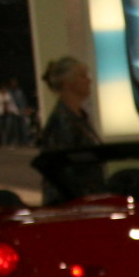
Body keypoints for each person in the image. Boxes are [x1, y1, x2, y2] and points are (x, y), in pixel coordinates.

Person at [37, 56, 103, 203]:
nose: (89, 81)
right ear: (69, 84)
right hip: (71, 201)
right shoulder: (62, 122)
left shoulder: (80, 117)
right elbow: (61, 170)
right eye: (83, 76)